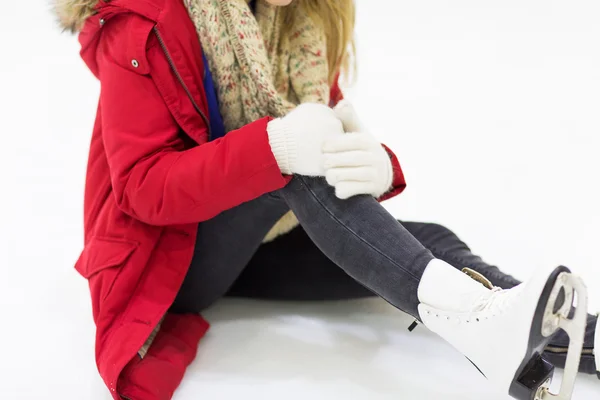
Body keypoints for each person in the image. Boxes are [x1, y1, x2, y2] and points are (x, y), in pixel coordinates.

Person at [54, 0, 599, 399]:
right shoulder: (142, 21)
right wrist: (278, 145)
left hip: (261, 244)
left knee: (433, 239)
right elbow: (140, 189)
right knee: (293, 166)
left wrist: (379, 163)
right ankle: (480, 326)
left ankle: (564, 333)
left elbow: (325, 126)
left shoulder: (303, 20)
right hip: (170, 262)